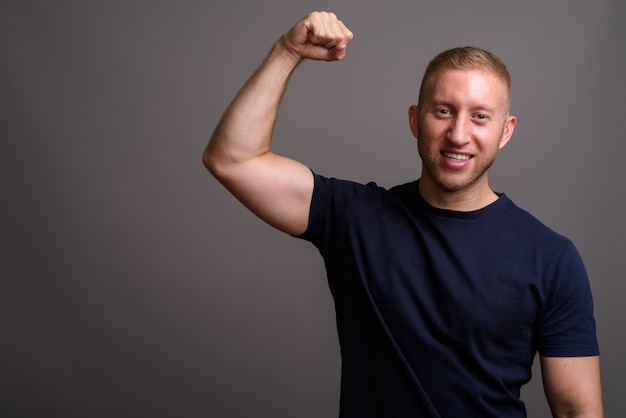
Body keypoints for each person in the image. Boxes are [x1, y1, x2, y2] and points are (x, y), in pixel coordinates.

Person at [203, 11, 603, 418]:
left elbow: (577, 411)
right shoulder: (354, 218)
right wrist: (287, 51)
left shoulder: (551, 259)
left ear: (506, 131)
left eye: (480, 116)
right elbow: (232, 160)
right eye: (443, 111)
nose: (459, 134)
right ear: (416, 120)